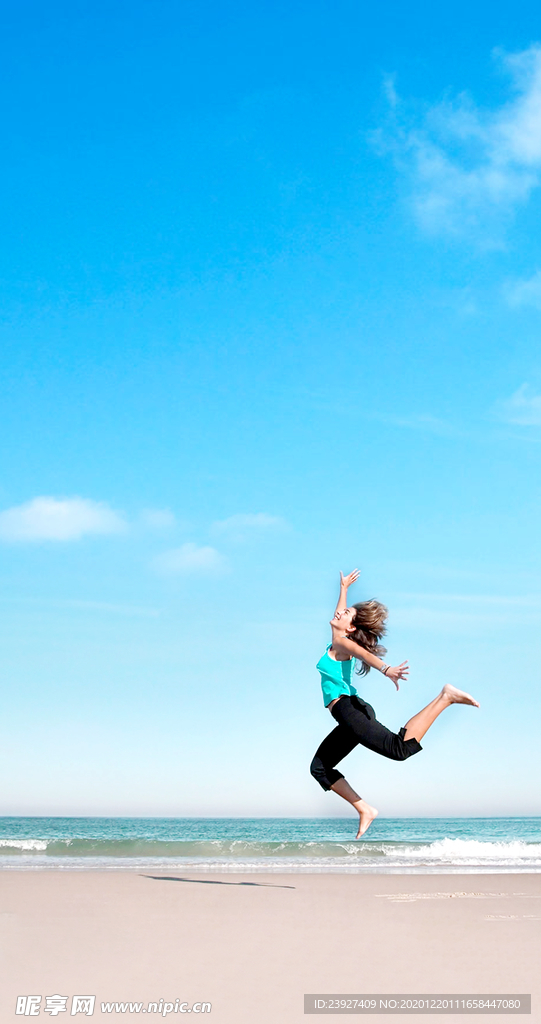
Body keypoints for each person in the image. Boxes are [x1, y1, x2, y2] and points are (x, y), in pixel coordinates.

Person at [310, 569, 480, 838]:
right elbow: (341, 614)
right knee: (319, 768)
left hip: (350, 710)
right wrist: (343, 589)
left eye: (346, 614)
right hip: (347, 713)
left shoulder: (343, 643)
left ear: (350, 628)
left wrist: (386, 668)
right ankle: (365, 809)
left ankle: (445, 697)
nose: (339, 613)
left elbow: (361, 652)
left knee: (399, 749)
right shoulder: (337, 639)